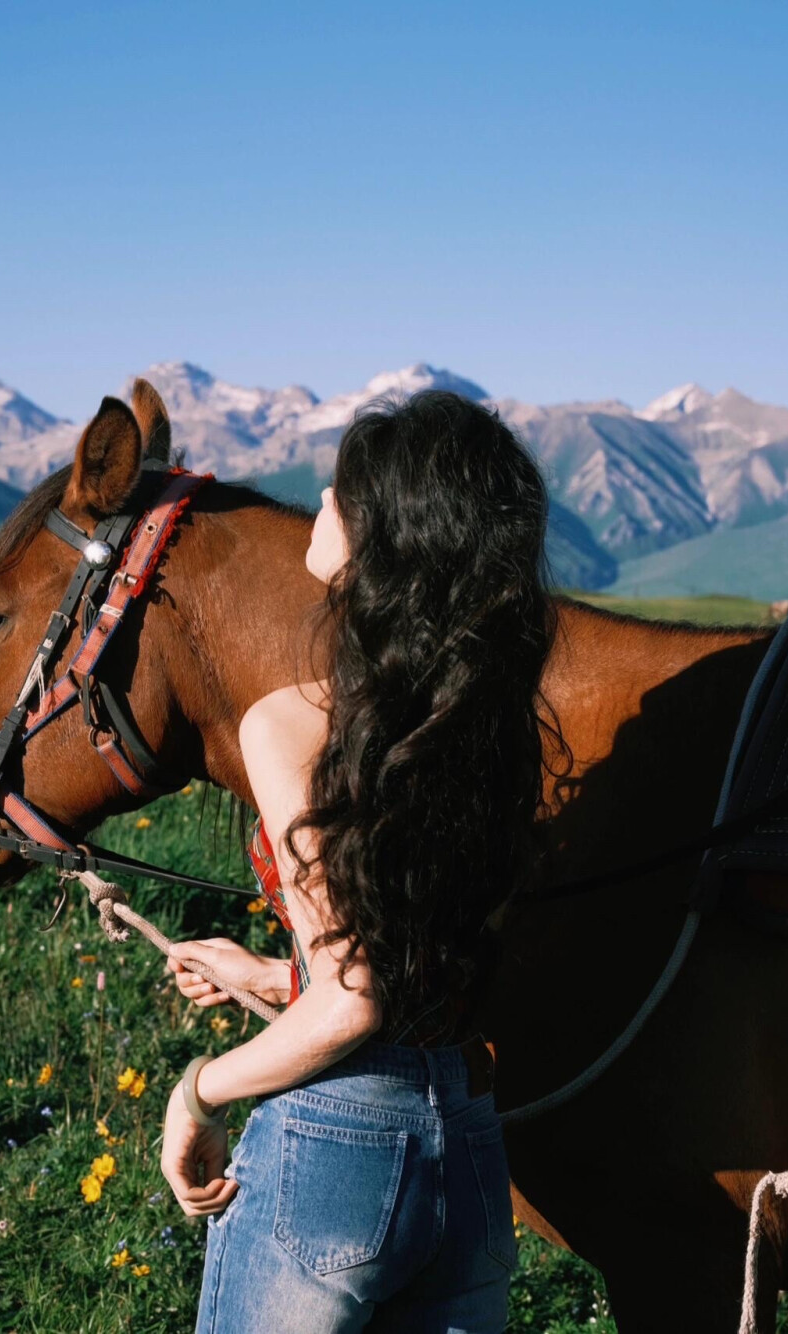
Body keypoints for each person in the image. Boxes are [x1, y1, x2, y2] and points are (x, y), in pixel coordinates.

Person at [160, 388, 557, 1333]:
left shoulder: (290, 722)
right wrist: (267, 970)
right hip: (465, 1143)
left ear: (382, 529)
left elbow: (354, 1004)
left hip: (335, 1145)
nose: (322, 499)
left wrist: (197, 1092)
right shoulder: (490, 721)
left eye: (342, 487)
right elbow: (417, 968)